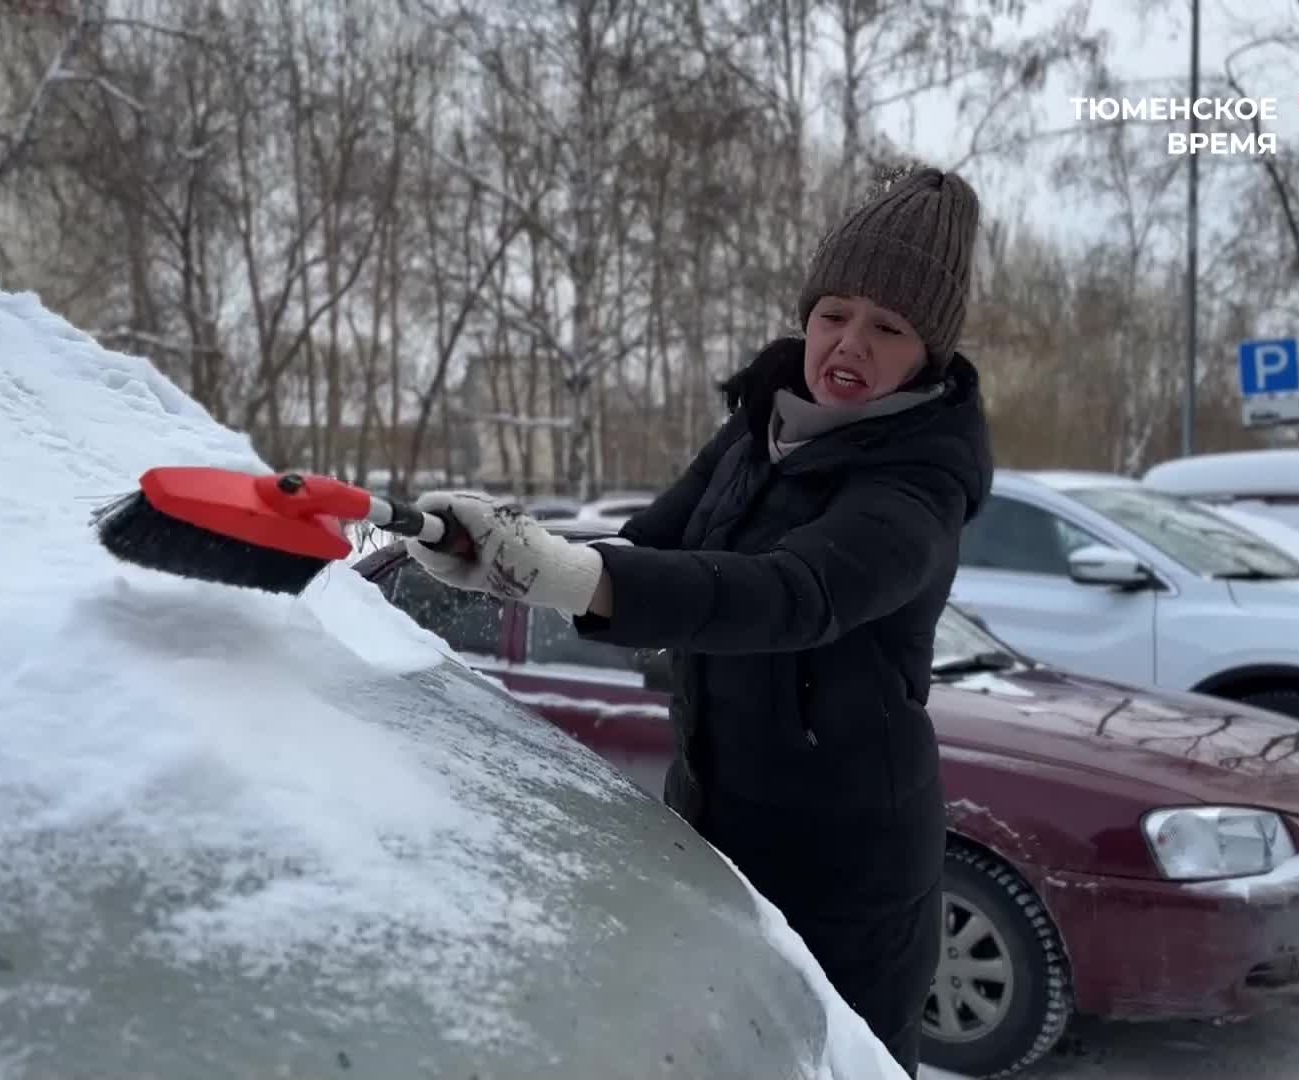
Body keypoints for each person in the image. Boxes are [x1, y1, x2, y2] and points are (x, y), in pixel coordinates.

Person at [403, 165, 993, 1078]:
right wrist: (505, 554)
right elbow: (654, 549)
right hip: (716, 822)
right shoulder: (761, 426)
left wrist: (577, 577)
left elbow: (790, 595)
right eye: (835, 311)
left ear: (927, 353)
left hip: (850, 874)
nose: (849, 342)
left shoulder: (919, 486)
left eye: (888, 327)